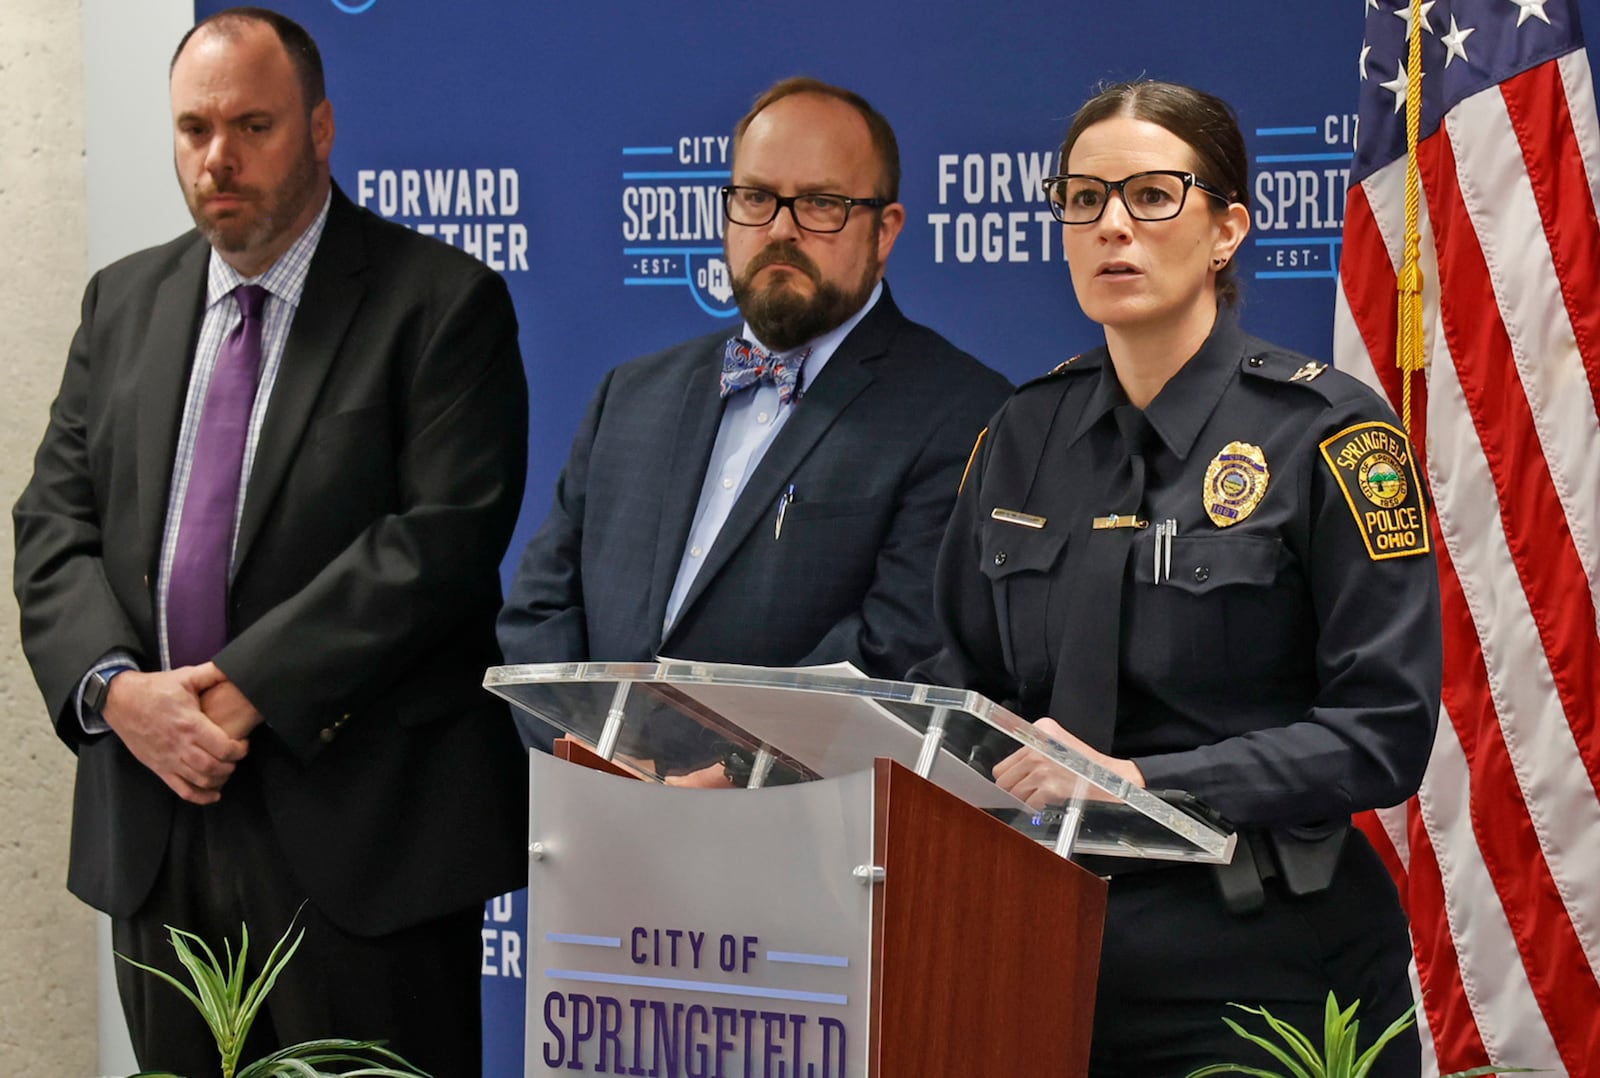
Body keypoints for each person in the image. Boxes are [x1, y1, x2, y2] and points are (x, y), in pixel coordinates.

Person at [11, 8, 528, 1075]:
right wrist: (118, 692)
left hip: (361, 838)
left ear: (322, 128)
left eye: (254, 125)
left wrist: (241, 688)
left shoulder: (439, 304)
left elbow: (439, 542)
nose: (219, 158)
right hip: (157, 823)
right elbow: (53, 525)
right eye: (195, 128)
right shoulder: (122, 303)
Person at [919, 80, 1440, 1076]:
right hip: (1035, 957)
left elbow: (1382, 732)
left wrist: (1143, 785)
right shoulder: (1022, 432)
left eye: (1152, 196)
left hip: (1264, 974)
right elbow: (957, 680)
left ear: (1225, 229)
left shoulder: (1330, 437)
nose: (1112, 225)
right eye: (1083, 199)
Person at [497, 77, 1011, 749]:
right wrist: (591, 753)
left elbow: (894, 655)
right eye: (756, 198)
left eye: (822, 204)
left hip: (801, 828)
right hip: (598, 818)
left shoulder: (962, 411)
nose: (780, 229)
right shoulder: (631, 394)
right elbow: (540, 613)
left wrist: (708, 774)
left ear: (884, 231)